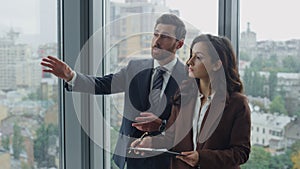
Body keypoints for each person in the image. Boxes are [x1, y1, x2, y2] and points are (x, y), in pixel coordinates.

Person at [40, 13, 188, 169]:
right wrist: (71, 76)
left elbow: (190, 125)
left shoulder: (188, 77)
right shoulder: (135, 68)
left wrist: (162, 125)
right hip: (132, 157)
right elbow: (103, 84)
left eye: (164, 37)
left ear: (179, 44)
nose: (156, 41)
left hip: (168, 160)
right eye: (155, 34)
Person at [131, 34, 251, 169]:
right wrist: (150, 142)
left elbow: (241, 152)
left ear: (217, 65)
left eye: (198, 57)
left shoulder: (237, 104)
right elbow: (172, 136)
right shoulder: (184, 96)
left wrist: (202, 158)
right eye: (191, 55)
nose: (190, 61)